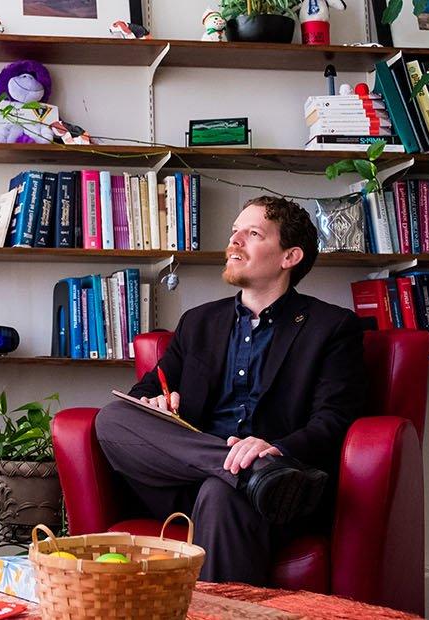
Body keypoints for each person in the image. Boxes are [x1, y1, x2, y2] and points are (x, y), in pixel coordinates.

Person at [94, 195, 366, 585]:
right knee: (113, 417)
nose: (234, 241)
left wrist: (276, 450)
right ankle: (251, 473)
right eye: (233, 231)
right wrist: (155, 401)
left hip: (268, 498)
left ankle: (254, 475)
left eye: (252, 233)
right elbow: (150, 386)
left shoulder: (332, 327)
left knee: (223, 494)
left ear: (290, 257)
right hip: (182, 479)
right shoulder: (198, 322)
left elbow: (335, 419)